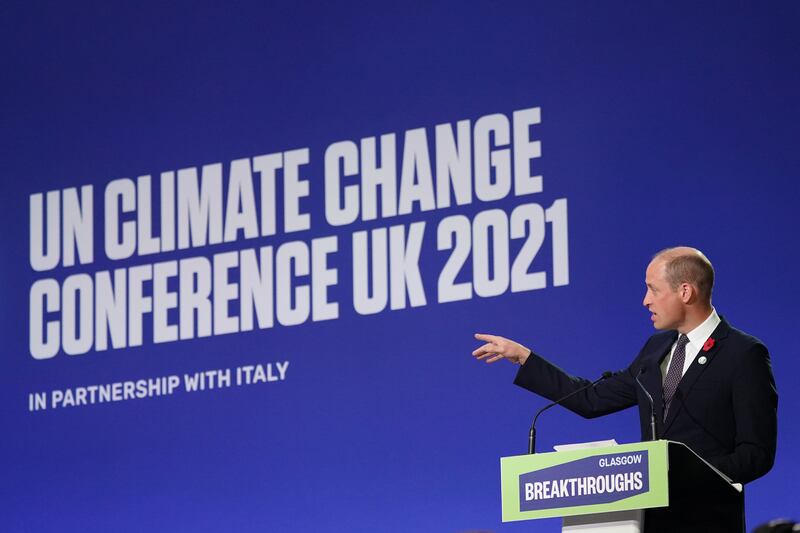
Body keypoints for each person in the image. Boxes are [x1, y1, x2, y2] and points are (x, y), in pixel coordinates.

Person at [473, 247, 777, 532]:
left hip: (707, 520)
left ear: (685, 291)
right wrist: (525, 358)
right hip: (649, 522)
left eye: (653, 289)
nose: (646, 300)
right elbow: (592, 399)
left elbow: (756, 454)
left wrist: (681, 476)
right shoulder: (655, 350)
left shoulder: (743, 354)